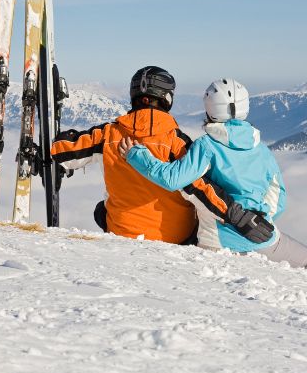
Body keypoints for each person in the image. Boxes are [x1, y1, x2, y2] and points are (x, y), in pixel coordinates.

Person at [119, 78, 307, 276]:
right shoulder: (262, 150)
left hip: (218, 241)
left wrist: (136, 155)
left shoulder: (207, 145)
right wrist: (255, 222)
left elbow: (173, 179)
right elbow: (279, 202)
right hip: (260, 236)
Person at [50, 66, 228, 245]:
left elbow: (61, 152)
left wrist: (65, 138)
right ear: (166, 98)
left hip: (122, 232)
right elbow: (202, 188)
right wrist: (238, 215)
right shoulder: (178, 142)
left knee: (101, 211)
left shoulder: (107, 134)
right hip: (176, 237)